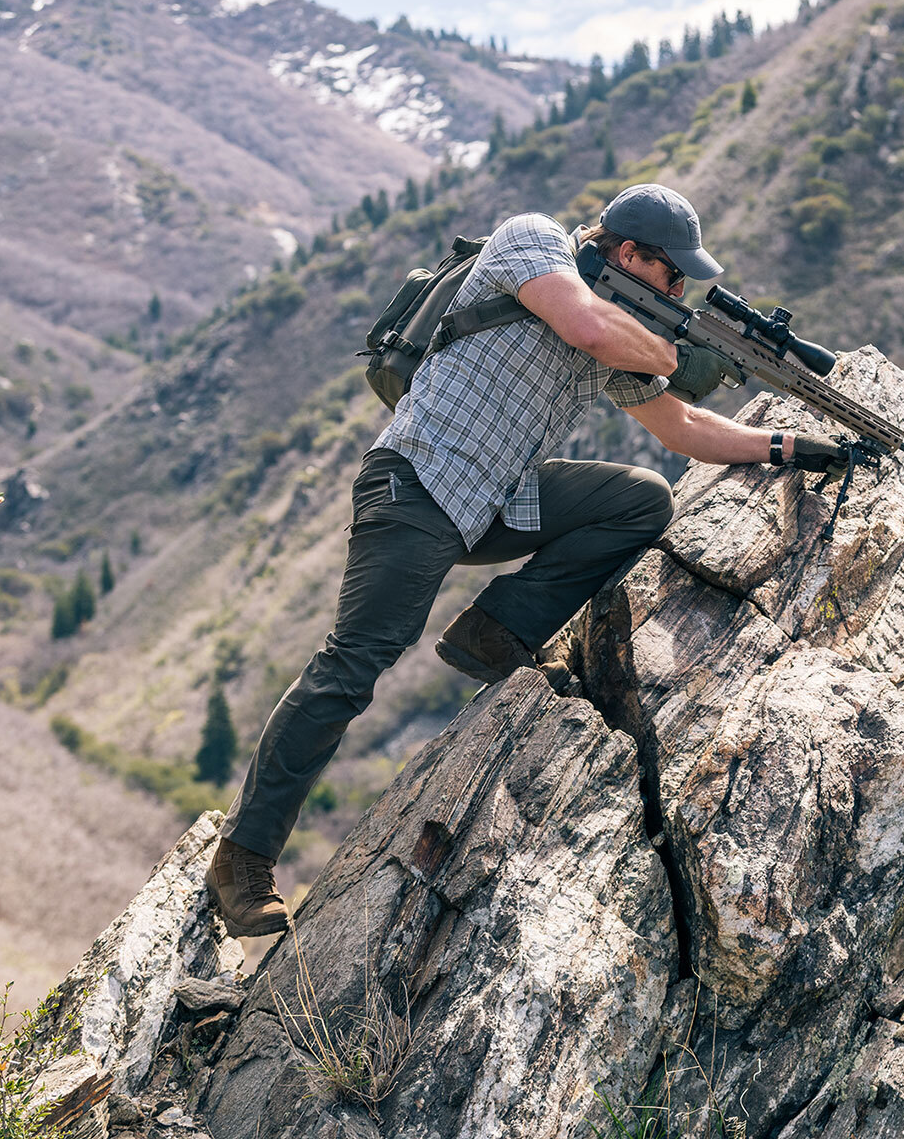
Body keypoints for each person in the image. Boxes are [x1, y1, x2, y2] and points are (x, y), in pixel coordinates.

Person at [205, 184, 846, 937]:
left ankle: (495, 633)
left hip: (498, 502)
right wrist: (674, 352)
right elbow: (587, 326)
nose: (679, 292)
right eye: (673, 276)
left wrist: (785, 447)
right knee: (352, 667)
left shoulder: (620, 327)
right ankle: (242, 861)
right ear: (628, 253)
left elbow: (683, 429)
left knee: (640, 500)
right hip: (418, 485)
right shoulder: (533, 241)